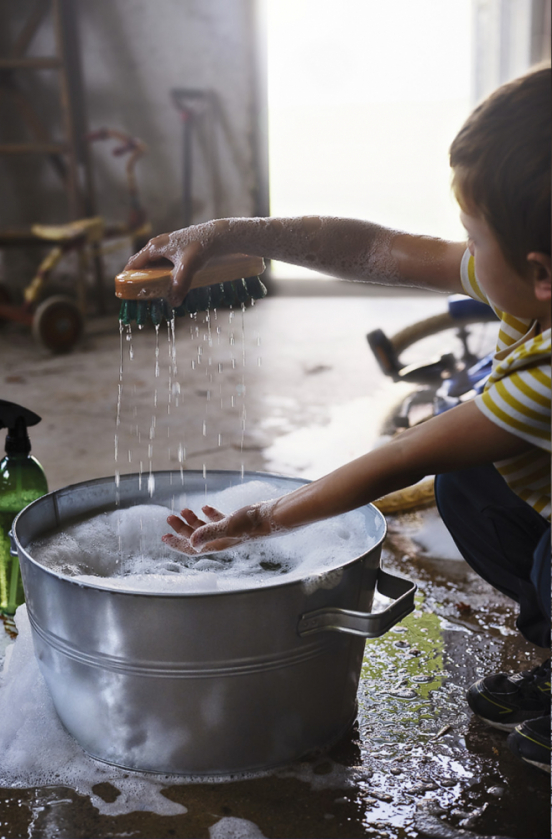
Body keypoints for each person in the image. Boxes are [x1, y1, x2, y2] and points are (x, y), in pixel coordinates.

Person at [125, 66, 551, 772]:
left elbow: (402, 454)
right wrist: (233, 231)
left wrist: (267, 517)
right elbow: (373, 247)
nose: (463, 253)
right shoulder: (536, 284)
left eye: (472, 237)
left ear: (539, 270)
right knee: (470, 482)